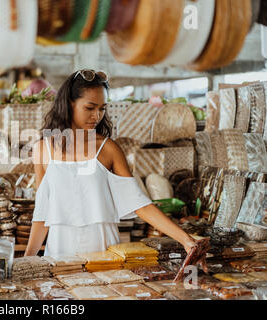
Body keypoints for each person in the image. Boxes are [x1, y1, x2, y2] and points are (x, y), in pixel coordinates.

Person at [24, 69, 197, 257]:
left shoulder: (108, 149)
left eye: (102, 108)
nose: (97, 116)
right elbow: (42, 213)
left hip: (104, 252)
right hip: (58, 253)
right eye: (90, 108)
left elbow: (140, 204)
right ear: (69, 104)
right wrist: (26, 261)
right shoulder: (43, 149)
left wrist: (186, 240)